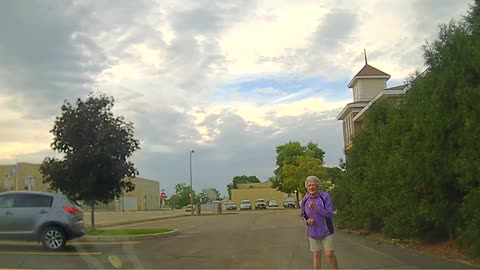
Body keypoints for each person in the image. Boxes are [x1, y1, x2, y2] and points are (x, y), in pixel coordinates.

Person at [301, 175, 338, 270]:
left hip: (326, 230)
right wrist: (307, 221)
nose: (311, 187)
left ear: (317, 186)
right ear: (307, 187)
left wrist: (316, 208)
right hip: (313, 232)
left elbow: (330, 213)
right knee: (316, 254)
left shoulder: (325, 197)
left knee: (329, 254)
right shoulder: (305, 199)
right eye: (309, 185)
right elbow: (303, 215)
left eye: (313, 185)